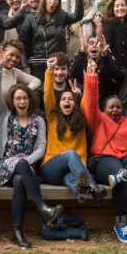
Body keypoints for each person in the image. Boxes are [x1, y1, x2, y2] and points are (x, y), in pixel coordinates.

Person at [82, 59, 127, 243]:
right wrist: (91, 77)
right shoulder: (99, 121)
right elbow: (90, 104)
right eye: (111, 107)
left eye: (118, 107)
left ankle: (123, 175)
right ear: (104, 110)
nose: (115, 110)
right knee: (122, 176)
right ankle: (121, 222)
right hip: (104, 161)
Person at [0, 81, 63, 248]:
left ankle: (17, 232)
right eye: (18, 98)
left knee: (19, 181)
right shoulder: (5, 115)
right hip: (3, 164)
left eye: (25, 98)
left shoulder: (38, 120)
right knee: (21, 168)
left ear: (30, 100)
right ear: (12, 100)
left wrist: (26, 162)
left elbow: (40, 147)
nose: (22, 102)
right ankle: (43, 207)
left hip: (25, 168)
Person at [40, 58, 107, 201]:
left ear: (75, 103)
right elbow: (47, 95)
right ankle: (94, 187)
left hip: (73, 170)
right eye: (63, 99)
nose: (66, 101)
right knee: (70, 154)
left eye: (70, 99)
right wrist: (50, 71)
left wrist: (91, 77)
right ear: (58, 104)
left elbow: (89, 102)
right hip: (51, 168)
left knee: (70, 178)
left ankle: (80, 191)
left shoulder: (81, 118)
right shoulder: (52, 117)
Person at [15, 0, 86, 81]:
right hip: (37, 64)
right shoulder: (31, 18)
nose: (53, 2)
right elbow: (21, 43)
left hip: (57, 64)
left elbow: (77, 16)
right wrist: (24, 65)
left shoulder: (62, 16)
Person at [102, 0, 127, 71]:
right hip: (115, 70)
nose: (120, 8)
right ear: (113, 9)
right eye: (117, 6)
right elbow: (107, 50)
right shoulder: (109, 23)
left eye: (123, 5)